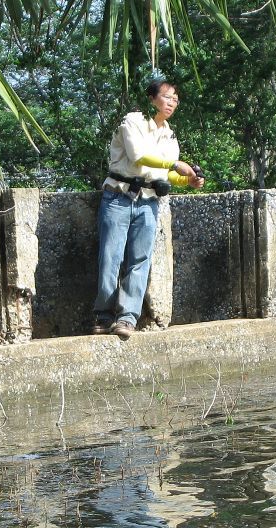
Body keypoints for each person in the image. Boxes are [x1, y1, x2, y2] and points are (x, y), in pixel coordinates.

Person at [92, 80, 204, 339]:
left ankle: (127, 319)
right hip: (118, 196)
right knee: (111, 257)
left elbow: (166, 174)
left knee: (140, 261)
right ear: (152, 98)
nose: (172, 103)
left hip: (149, 201)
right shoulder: (133, 121)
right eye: (167, 97)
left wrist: (189, 180)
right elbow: (138, 156)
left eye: (176, 99)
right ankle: (103, 315)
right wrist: (176, 165)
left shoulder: (169, 135)